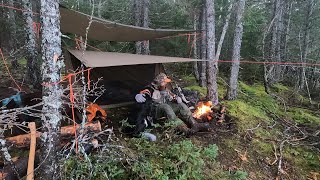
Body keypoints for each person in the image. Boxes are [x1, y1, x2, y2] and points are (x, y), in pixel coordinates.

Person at [134, 73, 212, 136]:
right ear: (160, 82)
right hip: (153, 111)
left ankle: (194, 124)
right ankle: (185, 130)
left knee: (181, 105)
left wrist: (176, 98)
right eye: (165, 82)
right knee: (166, 107)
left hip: (164, 106)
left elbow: (170, 96)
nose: (166, 84)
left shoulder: (164, 89)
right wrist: (138, 95)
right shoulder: (150, 88)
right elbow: (144, 92)